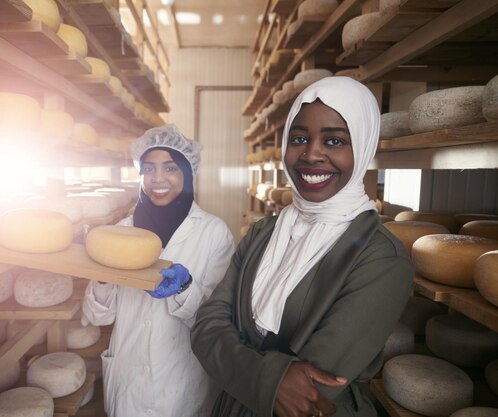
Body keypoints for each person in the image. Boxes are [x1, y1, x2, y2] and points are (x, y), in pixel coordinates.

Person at [191, 76, 414, 417]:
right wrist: (272, 380)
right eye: (299, 138)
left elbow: (313, 390)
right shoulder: (263, 232)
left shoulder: (381, 257)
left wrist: (236, 360)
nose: (311, 154)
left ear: (364, 145)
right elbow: (206, 327)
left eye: (335, 141)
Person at [82, 124, 236, 417]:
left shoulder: (213, 232)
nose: (158, 179)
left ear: (187, 173)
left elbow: (219, 317)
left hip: (183, 379)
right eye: (149, 169)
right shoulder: (120, 232)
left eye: (170, 168)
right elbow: (98, 316)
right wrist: (102, 276)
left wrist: (184, 288)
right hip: (128, 382)